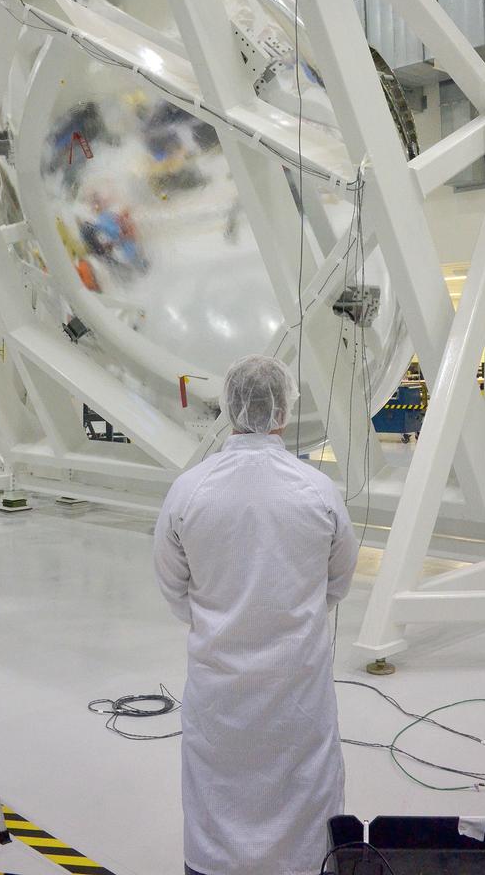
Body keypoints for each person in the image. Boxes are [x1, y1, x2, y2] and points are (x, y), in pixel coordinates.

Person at [154, 354, 358, 875]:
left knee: (217, 792)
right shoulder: (318, 492)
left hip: (217, 686)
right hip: (299, 688)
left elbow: (174, 588)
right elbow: (337, 581)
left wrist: (221, 620)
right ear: (284, 412)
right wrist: (292, 616)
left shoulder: (189, 491)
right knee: (303, 792)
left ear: (228, 408)